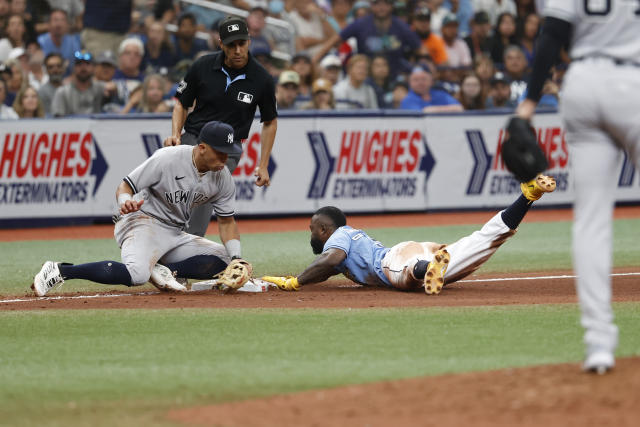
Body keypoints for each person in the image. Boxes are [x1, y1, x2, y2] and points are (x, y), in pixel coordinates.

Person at [514, 0, 640, 375]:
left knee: (591, 220)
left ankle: (598, 343)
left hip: (582, 82)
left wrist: (528, 105)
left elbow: (552, 33)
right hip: (633, 80)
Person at [31, 121, 246, 297]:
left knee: (226, 260)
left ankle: (167, 271)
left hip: (174, 232)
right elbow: (125, 186)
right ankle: (60, 271)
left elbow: (227, 221)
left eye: (229, 153)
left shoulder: (222, 177)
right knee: (137, 275)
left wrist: (236, 258)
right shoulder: (167, 159)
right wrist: (125, 201)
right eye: (221, 153)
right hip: (142, 221)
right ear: (202, 148)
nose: (225, 159)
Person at [262, 175, 556, 295]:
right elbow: (327, 269)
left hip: (394, 259)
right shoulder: (345, 240)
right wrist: (309, 278)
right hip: (417, 249)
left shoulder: (340, 236)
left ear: (324, 229)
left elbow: (331, 259)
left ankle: (427, 268)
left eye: (312, 228)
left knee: (403, 277)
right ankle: (527, 197)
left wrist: (295, 281)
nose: (310, 233)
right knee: (483, 240)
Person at [163, 15, 277, 238]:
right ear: (220, 44)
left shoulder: (262, 78)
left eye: (241, 44)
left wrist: (263, 165)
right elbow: (181, 104)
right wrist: (175, 134)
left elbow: (270, 121)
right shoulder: (202, 65)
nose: (237, 50)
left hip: (228, 147)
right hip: (194, 138)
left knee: (205, 190)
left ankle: (189, 247)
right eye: (231, 45)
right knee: (176, 188)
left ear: (249, 42)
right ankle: (164, 238)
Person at [51, 50, 106, 117]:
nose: (83, 67)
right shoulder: (62, 92)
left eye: (87, 64)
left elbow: (119, 87)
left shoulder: (100, 88)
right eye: (79, 64)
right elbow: (57, 119)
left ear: (93, 67)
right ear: (73, 68)